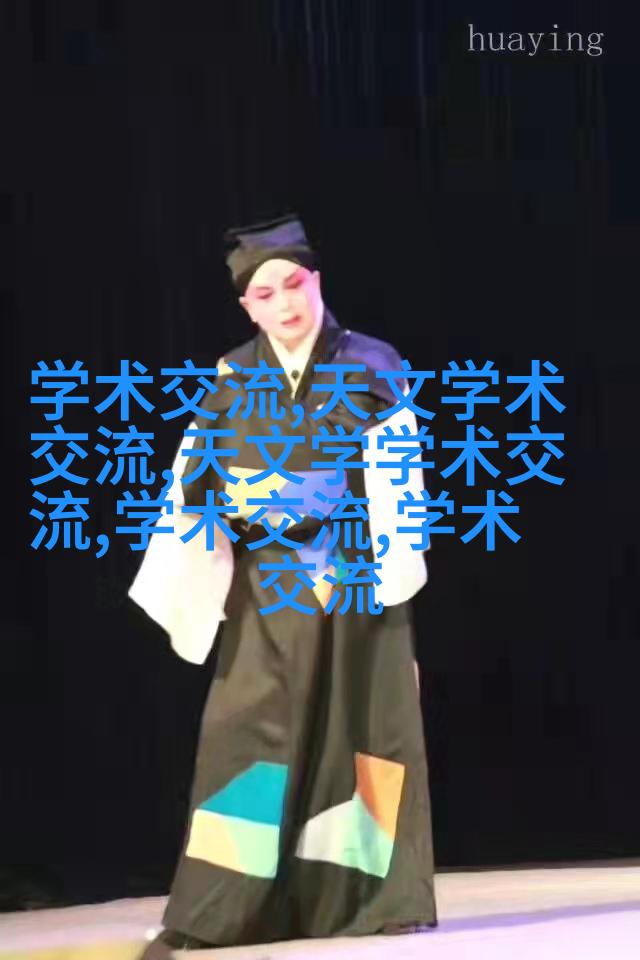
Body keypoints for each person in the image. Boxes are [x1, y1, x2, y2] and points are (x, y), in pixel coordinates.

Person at [132, 214, 437, 957]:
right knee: (244, 739)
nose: (285, 303)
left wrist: (387, 574)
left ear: (316, 282)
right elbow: (193, 483)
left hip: (354, 579)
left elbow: (397, 482)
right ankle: (218, 909)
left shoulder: (371, 364)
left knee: (361, 735)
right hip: (268, 587)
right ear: (248, 307)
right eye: (265, 294)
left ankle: (371, 900)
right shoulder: (233, 376)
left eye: (294, 284)